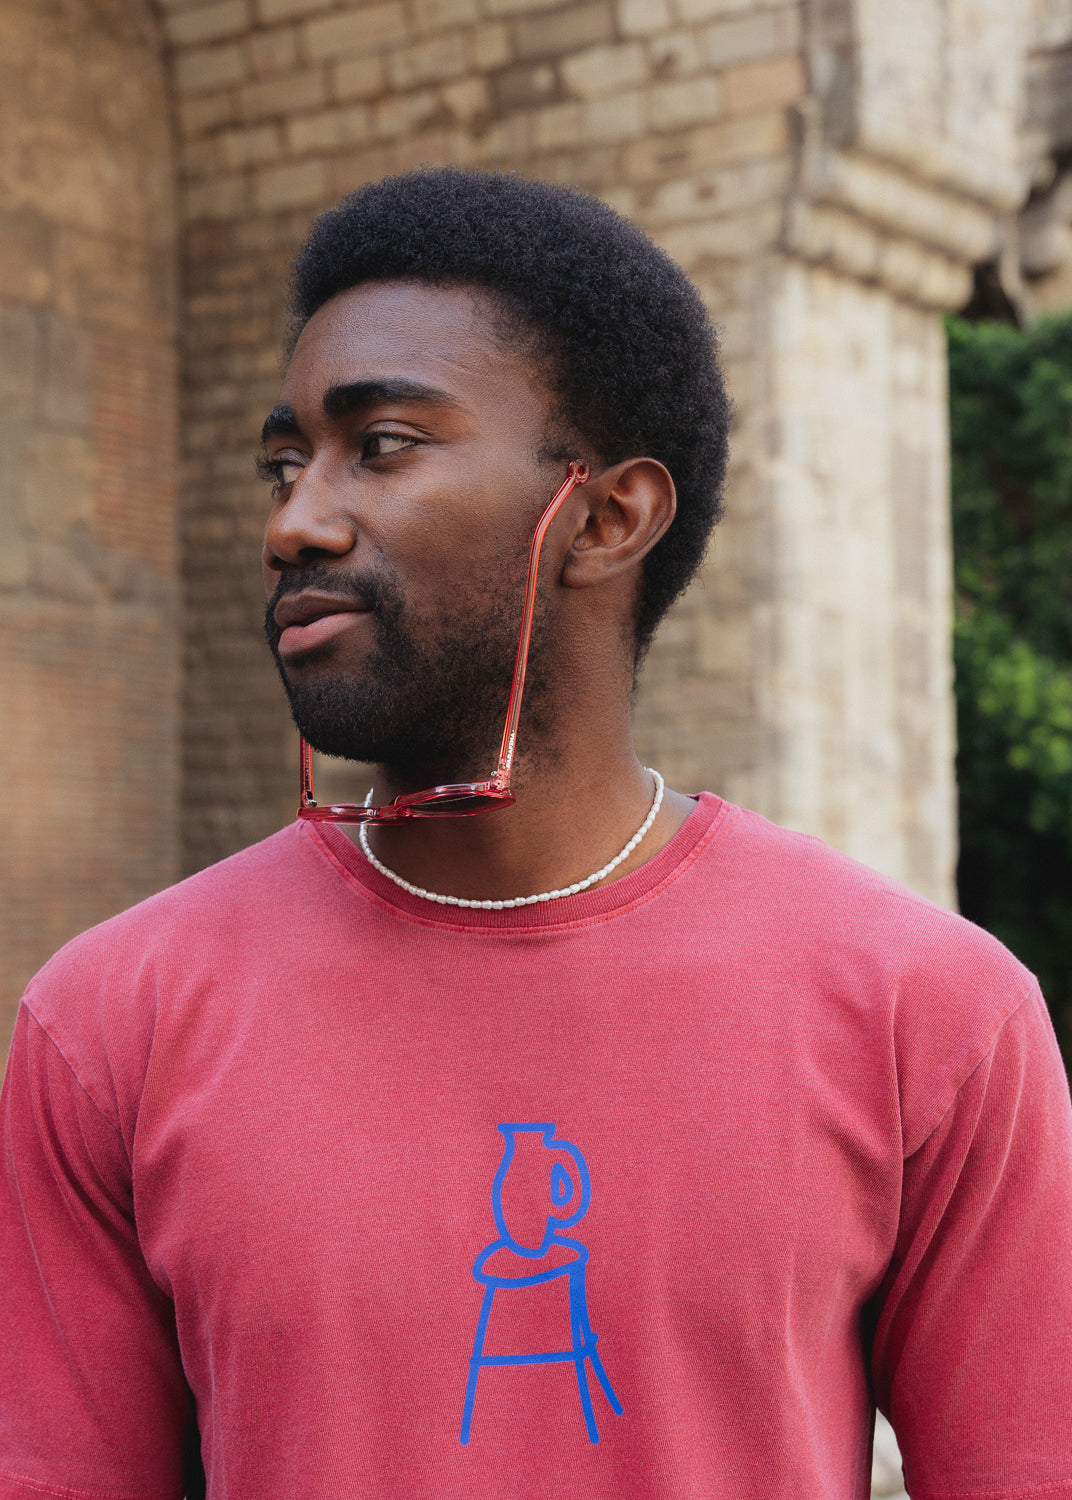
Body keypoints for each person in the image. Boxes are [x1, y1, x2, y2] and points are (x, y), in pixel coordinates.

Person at [2, 168, 1071, 1500]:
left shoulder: (933, 1018)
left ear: (609, 517)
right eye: (286, 463)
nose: (294, 521)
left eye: (379, 445)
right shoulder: (112, 1025)